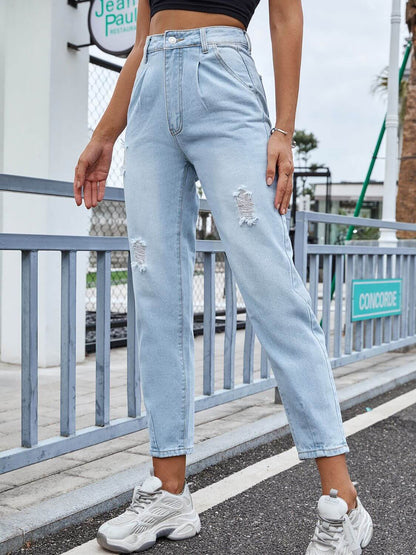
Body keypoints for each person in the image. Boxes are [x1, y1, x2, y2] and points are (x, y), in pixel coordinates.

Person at [73, 1, 374, 553]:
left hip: (224, 81)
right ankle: (169, 492)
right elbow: (142, 39)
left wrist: (282, 128)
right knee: (157, 292)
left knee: (272, 289)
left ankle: (343, 499)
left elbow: (286, 16)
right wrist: (105, 133)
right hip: (150, 94)